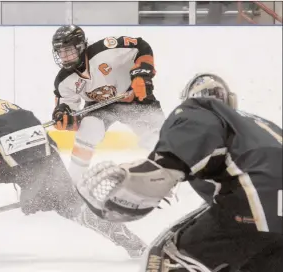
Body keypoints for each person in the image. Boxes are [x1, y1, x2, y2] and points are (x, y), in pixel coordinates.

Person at [0, 73, 148, 262]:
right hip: (44, 153)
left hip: (0, 157)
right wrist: (35, 191)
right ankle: (121, 234)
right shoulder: (5, 104)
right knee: (68, 202)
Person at [76, 73, 283, 271]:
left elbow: (160, 174)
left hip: (253, 204)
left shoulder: (201, 111)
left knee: (164, 259)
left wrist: (140, 179)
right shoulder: (260, 125)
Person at [51, 24, 165, 185]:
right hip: (99, 106)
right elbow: (68, 110)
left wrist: (142, 74)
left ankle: (169, 179)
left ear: (81, 46)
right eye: (60, 52)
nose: (64, 56)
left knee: (158, 140)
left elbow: (141, 46)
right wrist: (66, 119)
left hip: (134, 97)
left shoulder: (106, 50)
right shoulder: (63, 81)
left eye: (68, 50)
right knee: (88, 129)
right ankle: (73, 185)